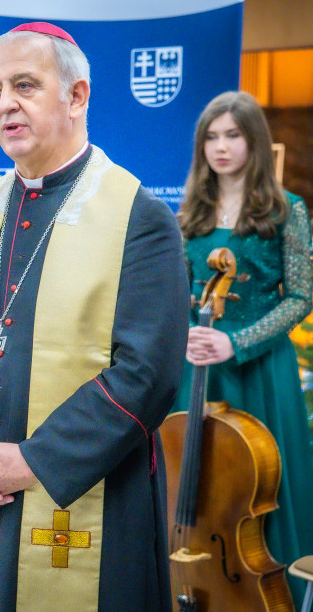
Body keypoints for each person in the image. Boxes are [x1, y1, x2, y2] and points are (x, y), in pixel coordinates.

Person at [0, 22, 190, 611]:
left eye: (25, 85)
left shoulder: (137, 215)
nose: (5, 103)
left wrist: (37, 461)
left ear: (77, 96)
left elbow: (148, 373)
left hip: (88, 495)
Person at [173, 90, 313, 604]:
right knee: (200, 488)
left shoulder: (286, 209)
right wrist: (187, 331)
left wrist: (236, 342)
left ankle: (269, 596)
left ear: (253, 140)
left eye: (232, 135)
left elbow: (301, 296)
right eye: (211, 137)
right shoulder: (191, 212)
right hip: (199, 368)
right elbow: (178, 292)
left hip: (258, 370)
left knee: (262, 494)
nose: (221, 147)